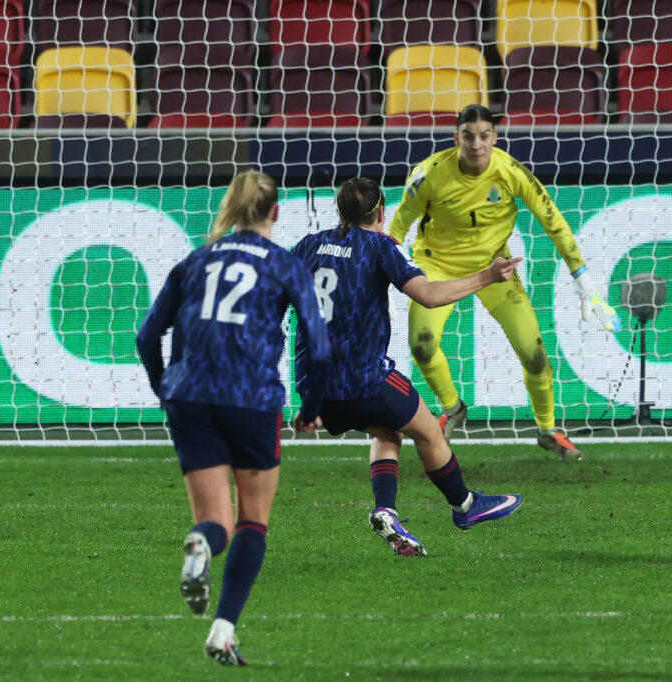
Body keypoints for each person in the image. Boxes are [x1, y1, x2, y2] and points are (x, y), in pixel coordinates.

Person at [136, 171, 329, 666]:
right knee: (252, 521)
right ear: (275, 213)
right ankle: (221, 631)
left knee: (214, 520)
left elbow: (146, 336)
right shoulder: (285, 264)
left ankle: (202, 543)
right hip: (251, 397)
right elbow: (320, 346)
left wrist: (165, 390)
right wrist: (310, 409)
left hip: (190, 398)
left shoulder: (195, 261)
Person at [291, 177, 523, 557]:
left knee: (388, 433)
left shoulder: (309, 245)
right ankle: (465, 506)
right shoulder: (381, 246)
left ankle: (386, 510)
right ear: (382, 212)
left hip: (315, 389)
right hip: (365, 379)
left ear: (341, 212)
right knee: (430, 431)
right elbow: (428, 296)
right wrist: (486, 276)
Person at [387, 104, 619, 461]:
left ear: (494, 137)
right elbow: (397, 230)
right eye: (468, 137)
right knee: (421, 346)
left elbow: (553, 221)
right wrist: (395, 274)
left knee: (535, 355)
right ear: (456, 139)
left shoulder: (512, 173)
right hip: (436, 268)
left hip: (496, 270)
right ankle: (452, 406)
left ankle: (547, 428)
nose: (476, 145)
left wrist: (584, 282)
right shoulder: (428, 175)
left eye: (483, 136)